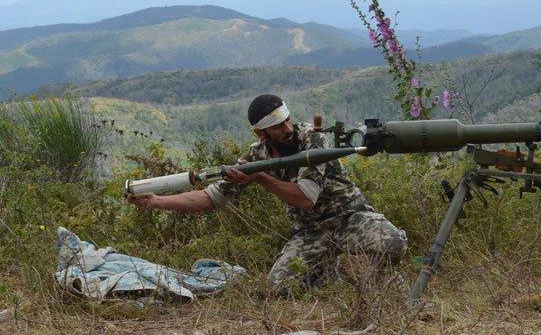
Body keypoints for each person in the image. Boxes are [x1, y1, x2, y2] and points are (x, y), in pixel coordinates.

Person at [127, 93, 407, 297]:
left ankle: (361, 273)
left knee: (392, 242)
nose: (287, 130)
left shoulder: (312, 140)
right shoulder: (255, 155)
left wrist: (261, 178)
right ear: (261, 133)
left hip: (350, 219)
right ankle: (333, 270)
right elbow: (211, 198)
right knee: (279, 288)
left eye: (287, 121)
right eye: (277, 127)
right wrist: (155, 202)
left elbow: (304, 198)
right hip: (312, 233)